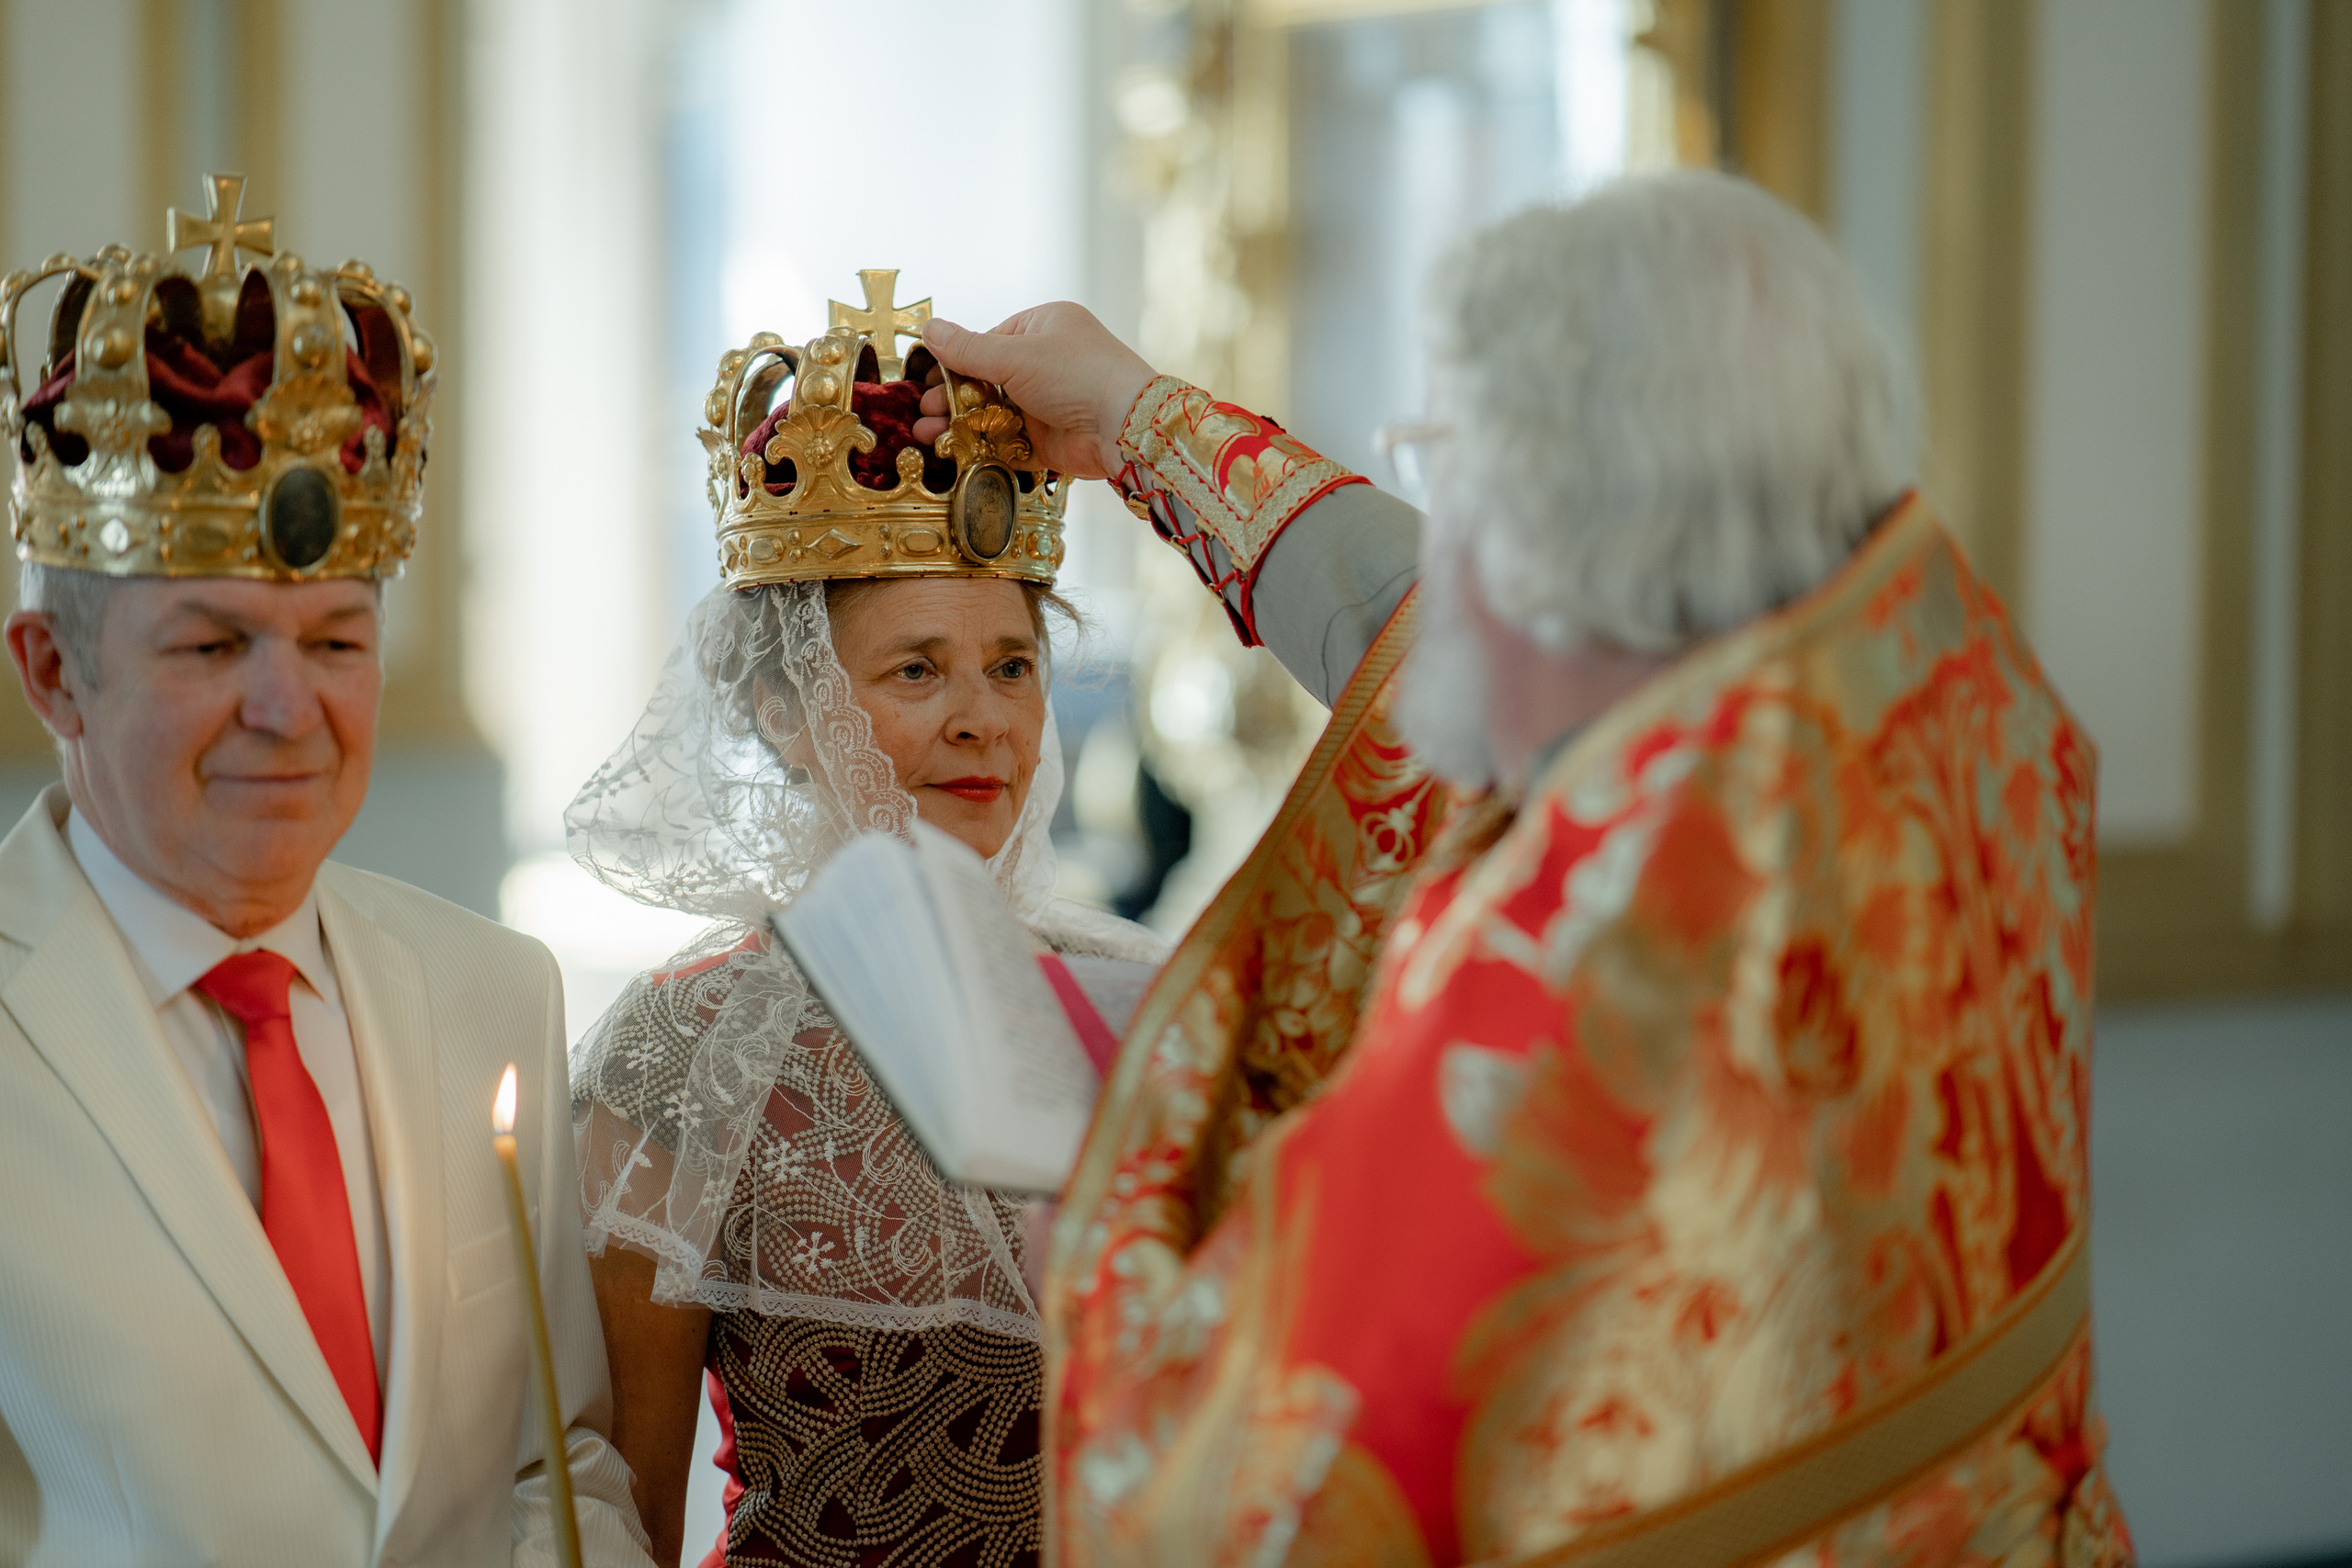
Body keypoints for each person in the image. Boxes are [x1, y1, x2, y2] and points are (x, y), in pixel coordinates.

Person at [917, 171, 2132, 1566]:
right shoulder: (1952, 709)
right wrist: (1139, 423)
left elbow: (1221, 1493)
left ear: (1556, 532)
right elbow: (1420, 624)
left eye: (1452, 476)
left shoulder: (1580, 966)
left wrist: (1109, 1192)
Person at [0, 178, 651, 1562]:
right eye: (211, 646)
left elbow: (561, 1456)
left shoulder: (494, 988)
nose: (292, 711)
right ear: (54, 673)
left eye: (339, 643)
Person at [567, 293, 1165, 1568]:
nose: (981, 720)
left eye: (1012, 665)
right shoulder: (684, 1047)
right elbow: (615, 1502)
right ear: (786, 711)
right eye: (916, 670)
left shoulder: (1142, 996)